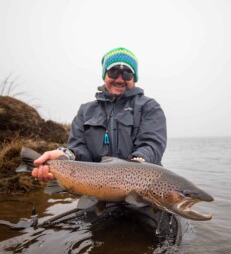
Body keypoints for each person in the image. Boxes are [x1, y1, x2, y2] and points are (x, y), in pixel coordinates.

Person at [32, 47, 167, 181]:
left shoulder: (150, 107)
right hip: (94, 193)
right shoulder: (85, 111)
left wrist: (137, 163)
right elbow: (80, 149)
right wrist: (65, 155)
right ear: (105, 75)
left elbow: (151, 145)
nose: (119, 79)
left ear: (134, 78)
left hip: (141, 193)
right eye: (113, 72)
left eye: (127, 73)